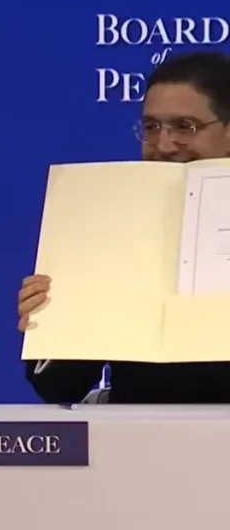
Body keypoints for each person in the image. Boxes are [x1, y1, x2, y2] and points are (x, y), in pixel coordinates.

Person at [19, 51, 230, 404]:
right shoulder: (111, 223)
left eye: (185, 127)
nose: (164, 145)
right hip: (139, 428)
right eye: (151, 127)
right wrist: (53, 322)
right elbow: (59, 387)